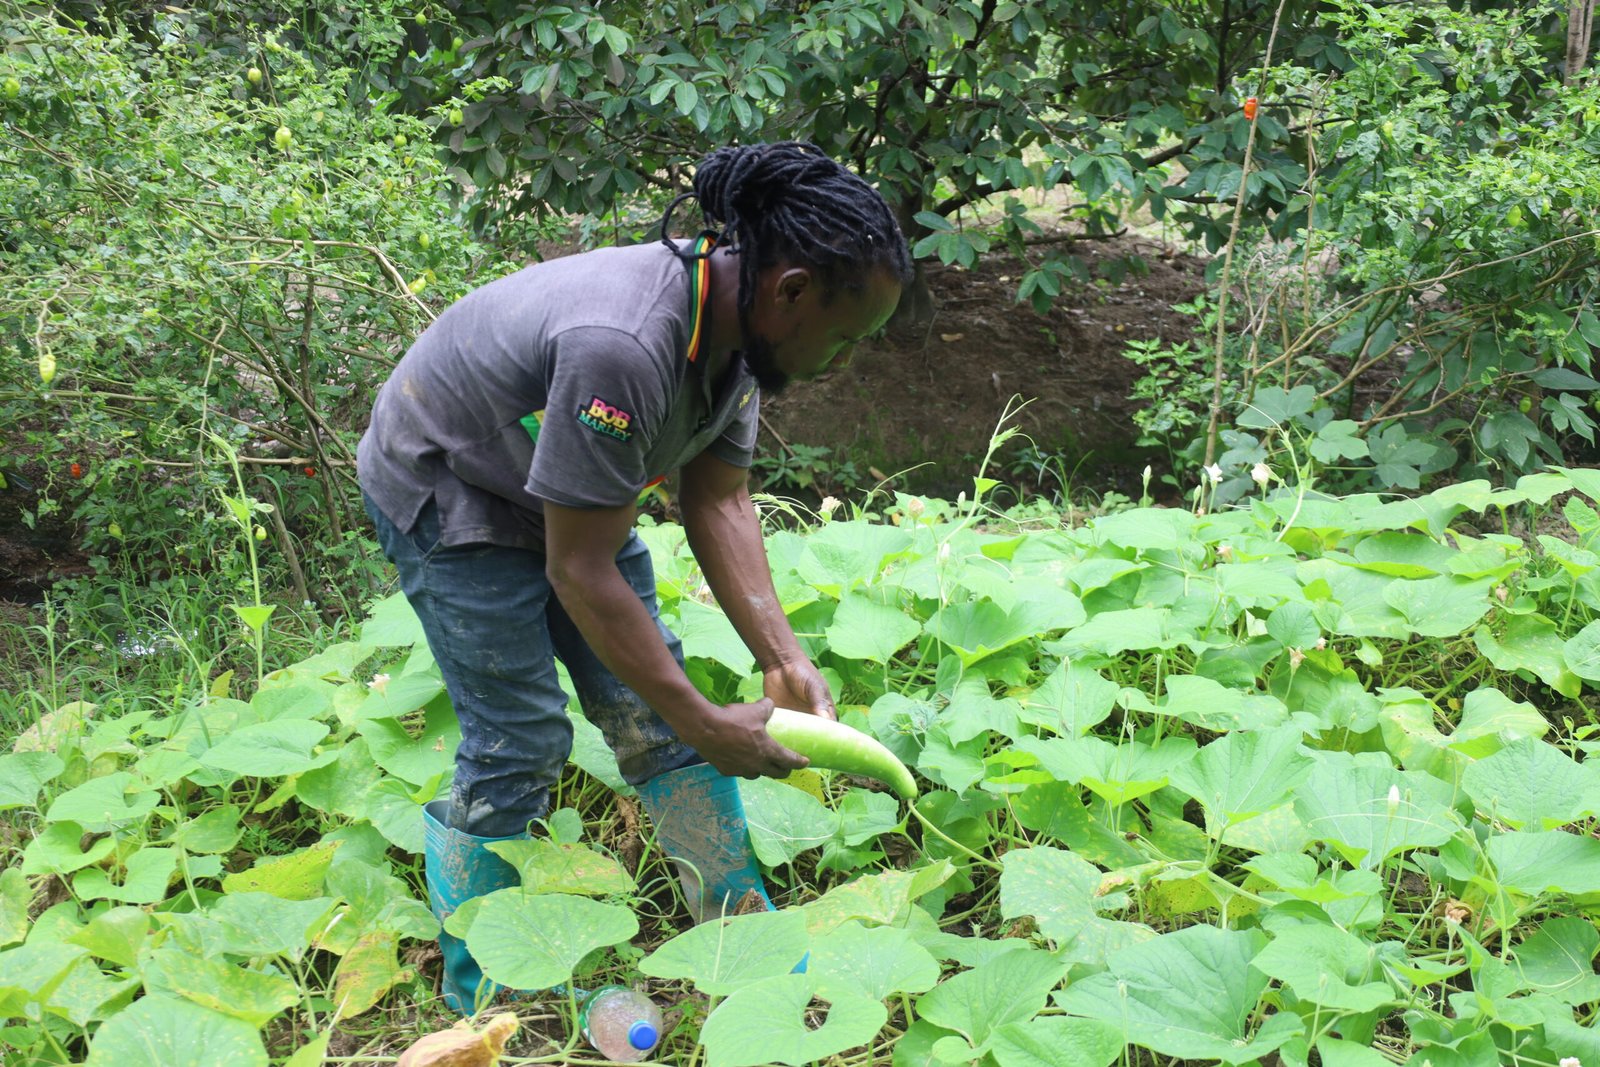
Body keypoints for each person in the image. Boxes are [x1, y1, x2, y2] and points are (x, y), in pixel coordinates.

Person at [356, 141, 910, 1014]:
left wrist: (783, 652)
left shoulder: (741, 334)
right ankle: (487, 978)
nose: (841, 360)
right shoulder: (624, 346)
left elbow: (719, 497)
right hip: (453, 482)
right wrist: (702, 716)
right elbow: (578, 568)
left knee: (661, 708)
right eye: (843, 338)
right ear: (791, 289)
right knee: (520, 737)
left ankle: (737, 926)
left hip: (571, 491)